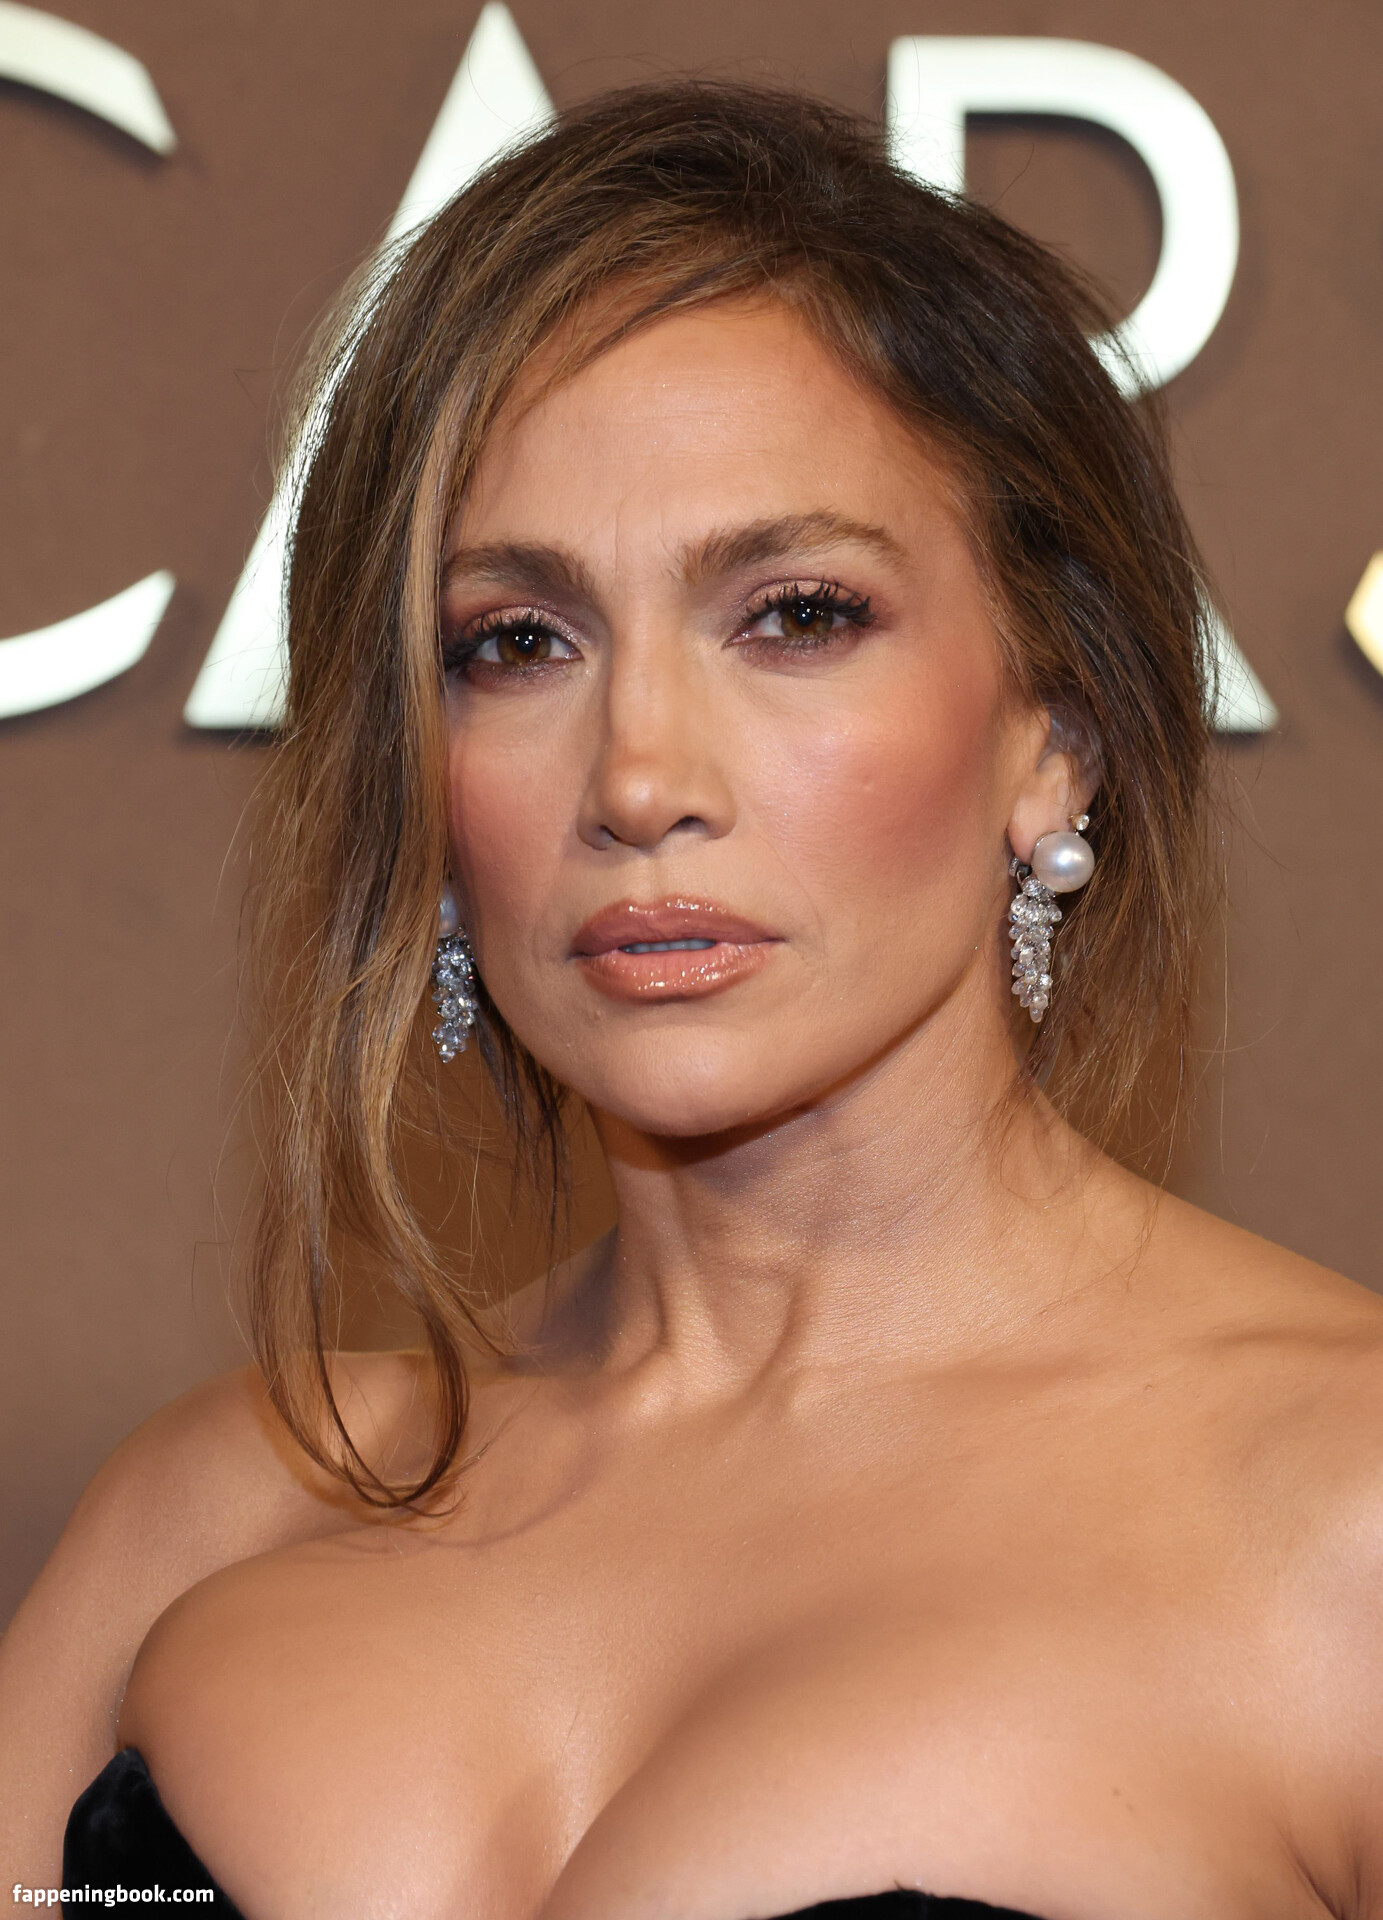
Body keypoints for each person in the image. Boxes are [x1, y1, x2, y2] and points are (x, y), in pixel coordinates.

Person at [2, 79, 1381, 1920]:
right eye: (516, 643)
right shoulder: (224, 1507)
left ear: (1055, 736)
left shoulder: (1348, 1516)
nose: (640, 776)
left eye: (797, 614)